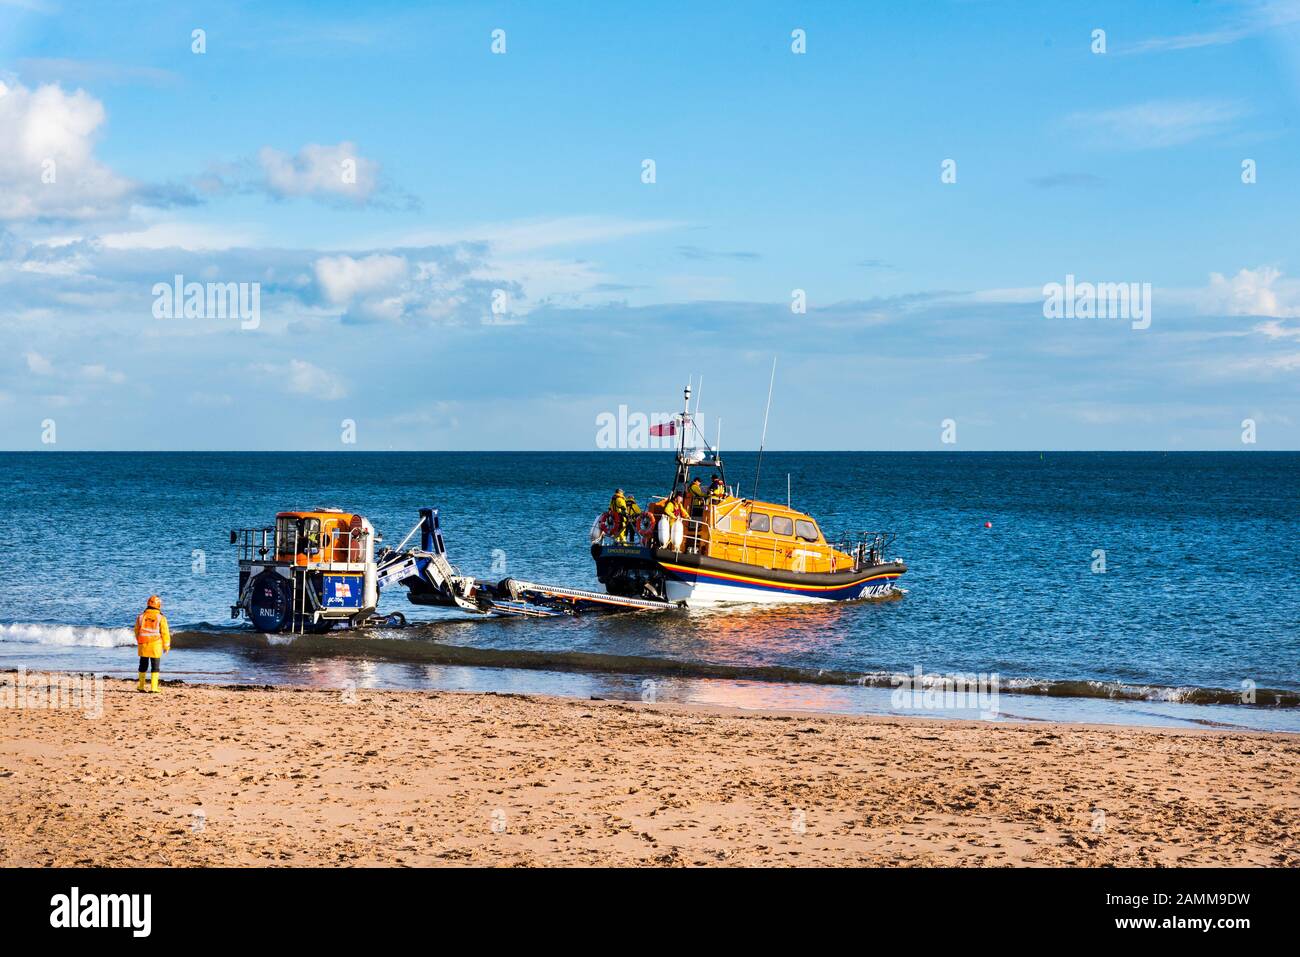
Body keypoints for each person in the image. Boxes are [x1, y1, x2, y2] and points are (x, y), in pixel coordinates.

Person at [134, 595, 171, 694]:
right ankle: (153, 688)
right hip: (155, 646)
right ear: (159, 605)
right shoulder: (161, 617)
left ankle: (141, 686)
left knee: (142, 665)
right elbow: (165, 633)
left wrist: (139, 640)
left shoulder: (141, 617)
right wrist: (166, 645)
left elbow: (136, 631)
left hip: (143, 644)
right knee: (155, 667)